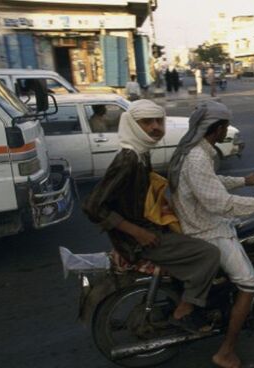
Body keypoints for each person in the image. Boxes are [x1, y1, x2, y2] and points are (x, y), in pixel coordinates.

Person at [168, 101, 254, 368]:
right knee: (249, 283)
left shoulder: (194, 151)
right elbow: (220, 203)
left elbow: (210, 183)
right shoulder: (198, 157)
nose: (227, 130)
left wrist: (243, 181)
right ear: (218, 128)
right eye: (225, 126)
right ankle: (225, 351)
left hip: (201, 219)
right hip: (206, 228)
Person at [82, 99, 221, 333]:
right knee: (209, 254)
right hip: (138, 239)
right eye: (147, 122)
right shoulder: (128, 159)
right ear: (133, 125)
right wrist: (138, 232)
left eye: (159, 121)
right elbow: (93, 206)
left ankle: (182, 295)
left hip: (147, 228)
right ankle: (184, 311)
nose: (155, 127)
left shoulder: (141, 153)